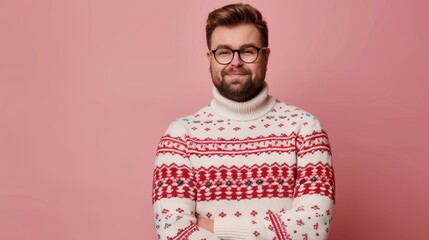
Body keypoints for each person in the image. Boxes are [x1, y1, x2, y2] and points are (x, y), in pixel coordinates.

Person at [152, 3, 335, 240]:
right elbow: (172, 233)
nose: (235, 62)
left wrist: (215, 227)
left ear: (266, 56)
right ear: (210, 58)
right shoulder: (180, 136)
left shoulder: (306, 130)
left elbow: (312, 228)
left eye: (248, 51)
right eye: (224, 52)